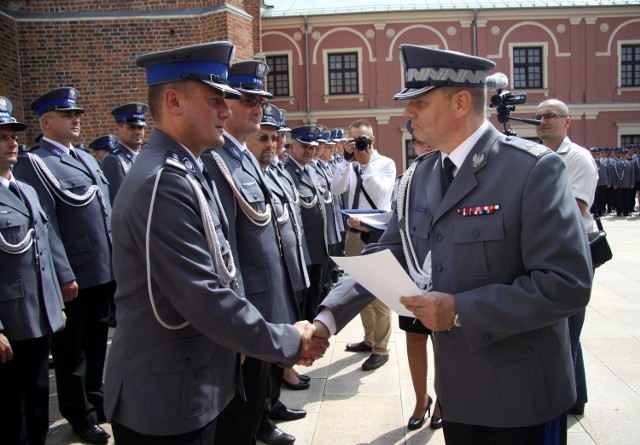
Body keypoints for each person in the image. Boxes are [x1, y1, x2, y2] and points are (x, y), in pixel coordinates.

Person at [313, 45, 592, 445]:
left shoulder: (532, 169)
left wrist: (460, 310)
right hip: (459, 394)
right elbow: (387, 255)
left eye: (420, 104)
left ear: (461, 102)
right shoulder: (419, 177)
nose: (408, 114)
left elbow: (567, 284)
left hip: (523, 396)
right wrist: (326, 318)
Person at [102, 41, 326, 445]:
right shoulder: (164, 182)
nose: (227, 110)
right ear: (173, 101)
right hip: (165, 397)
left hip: (192, 379)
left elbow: (223, 272)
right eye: (215, 99)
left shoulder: (185, 169)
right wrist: (289, 340)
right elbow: (203, 296)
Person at [201, 60, 306, 445]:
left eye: (260, 98)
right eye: (247, 99)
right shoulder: (216, 161)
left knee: (257, 395)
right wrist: (238, 321)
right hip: (248, 307)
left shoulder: (244, 155)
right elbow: (221, 252)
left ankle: (264, 420)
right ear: (224, 106)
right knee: (237, 418)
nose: (257, 106)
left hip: (267, 299)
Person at [13, 87, 115, 445]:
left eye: (77, 115)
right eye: (67, 115)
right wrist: (64, 274)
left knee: (98, 344)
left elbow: (106, 213)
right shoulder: (35, 162)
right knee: (72, 353)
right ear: (46, 122)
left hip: (103, 269)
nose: (76, 120)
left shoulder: (86, 158)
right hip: (75, 274)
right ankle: (80, 414)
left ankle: (97, 402)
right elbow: (46, 224)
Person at [0, 96, 66, 445]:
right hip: (10, 323)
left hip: (39, 315)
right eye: (2, 137)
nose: (13, 143)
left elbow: (43, 250)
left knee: (39, 398)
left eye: (13, 135)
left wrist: (56, 305)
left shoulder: (25, 189)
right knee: (13, 408)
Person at [535, 99, 598, 417]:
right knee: (564, 329)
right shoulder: (540, 156)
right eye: (540, 116)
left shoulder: (578, 158)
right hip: (548, 251)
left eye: (551, 116)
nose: (543, 121)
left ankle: (566, 399)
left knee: (568, 331)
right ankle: (575, 397)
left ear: (567, 122)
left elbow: (576, 210)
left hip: (571, 253)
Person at [329, 119, 396, 371]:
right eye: (354, 139)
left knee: (378, 295)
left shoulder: (385, 164)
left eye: (362, 139)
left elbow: (381, 196)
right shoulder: (349, 164)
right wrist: (346, 161)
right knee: (359, 292)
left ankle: (382, 349)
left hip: (377, 236)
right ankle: (369, 340)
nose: (358, 144)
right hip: (353, 235)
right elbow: (336, 189)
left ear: (372, 140)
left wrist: (367, 165)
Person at [282, 125, 329, 322]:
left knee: (314, 296)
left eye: (312, 147)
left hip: (317, 248)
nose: (309, 151)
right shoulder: (286, 173)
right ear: (291, 148)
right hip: (302, 250)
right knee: (301, 300)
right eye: (304, 146)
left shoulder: (311, 170)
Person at [100, 102, 148, 205]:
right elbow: (118, 203)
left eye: (140, 127)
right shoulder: (113, 160)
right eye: (131, 127)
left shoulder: (144, 155)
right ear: (117, 130)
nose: (138, 132)